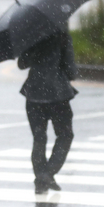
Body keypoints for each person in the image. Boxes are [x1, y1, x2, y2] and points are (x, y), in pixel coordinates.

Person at [18, 31, 77, 194]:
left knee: (39, 137)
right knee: (65, 135)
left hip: (34, 93)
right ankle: (48, 172)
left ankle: (41, 179)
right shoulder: (61, 35)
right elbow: (71, 71)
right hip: (58, 95)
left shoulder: (30, 35)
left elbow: (22, 64)